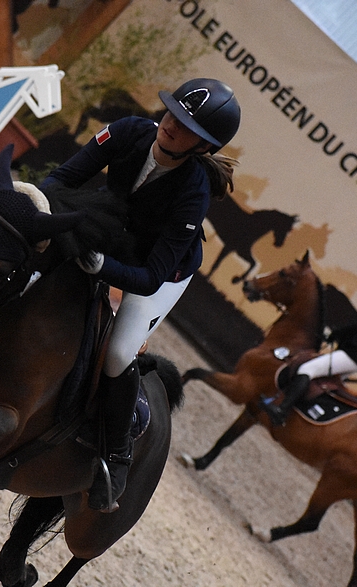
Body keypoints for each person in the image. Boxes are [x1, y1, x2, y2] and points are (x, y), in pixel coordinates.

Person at [40, 78, 241, 512]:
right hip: (108, 237)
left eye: (187, 127)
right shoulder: (130, 130)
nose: (171, 125)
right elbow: (62, 179)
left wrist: (99, 267)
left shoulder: (193, 191)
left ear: (202, 148)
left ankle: (116, 458)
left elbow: (149, 277)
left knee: (116, 353)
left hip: (160, 271)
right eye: (172, 113)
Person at [260, 260, 357, 427]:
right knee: (320, 382)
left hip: (353, 356)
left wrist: (337, 333)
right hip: (353, 354)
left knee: (307, 369)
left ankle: (281, 411)